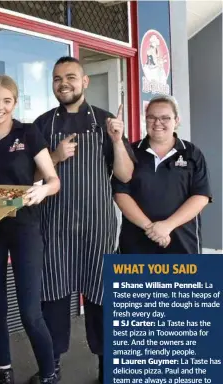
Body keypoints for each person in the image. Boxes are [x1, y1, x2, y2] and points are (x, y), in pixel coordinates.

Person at [32, 56, 135, 384]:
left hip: (98, 230)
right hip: (55, 228)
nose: (64, 83)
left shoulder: (106, 122)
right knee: (53, 301)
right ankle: (52, 368)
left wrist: (118, 140)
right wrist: (55, 156)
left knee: (103, 301)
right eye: (57, 77)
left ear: (85, 82)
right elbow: (31, 178)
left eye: (71, 77)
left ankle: (108, 369)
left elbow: (125, 174)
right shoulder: (42, 125)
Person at [0, 75, 61, 384]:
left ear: (14, 104)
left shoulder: (28, 133)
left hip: (24, 227)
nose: (0, 107)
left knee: (29, 310)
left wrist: (41, 191)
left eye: (7, 101)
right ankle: (3, 372)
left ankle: (49, 373)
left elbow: (53, 180)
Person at [113, 95, 212, 253]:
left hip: (183, 246)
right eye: (152, 117)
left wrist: (168, 226)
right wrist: (151, 228)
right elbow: (120, 194)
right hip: (135, 247)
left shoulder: (192, 153)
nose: (157, 123)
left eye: (165, 117)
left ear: (176, 120)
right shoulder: (129, 151)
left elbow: (201, 196)